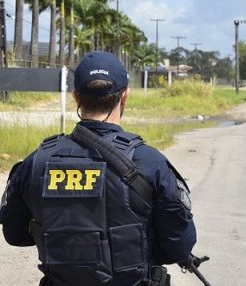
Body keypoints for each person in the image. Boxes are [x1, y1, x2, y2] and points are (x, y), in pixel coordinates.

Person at [0, 51, 199, 286]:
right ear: (124, 96)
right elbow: (179, 245)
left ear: (76, 97)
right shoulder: (150, 162)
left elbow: (15, 235)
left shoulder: (38, 162)